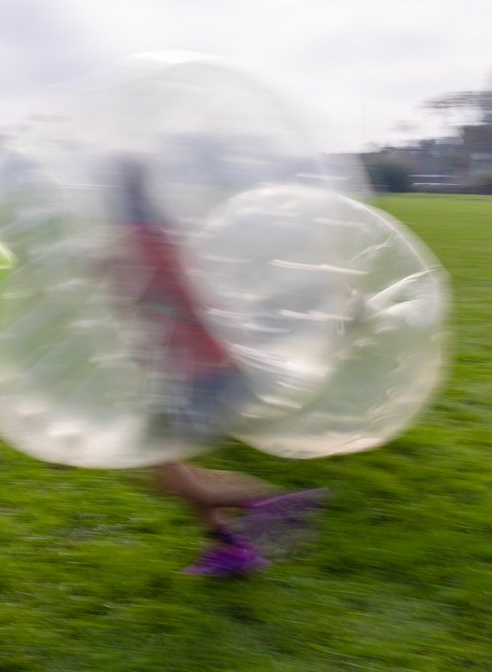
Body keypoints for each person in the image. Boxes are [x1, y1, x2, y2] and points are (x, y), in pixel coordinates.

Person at [109, 158, 328, 577]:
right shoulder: (160, 232)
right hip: (205, 366)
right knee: (171, 465)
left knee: (166, 471)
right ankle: (231, 547)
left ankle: (266, 502)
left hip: (203, 371)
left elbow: (145, 295)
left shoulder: (138, 239)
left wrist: (113, 279)